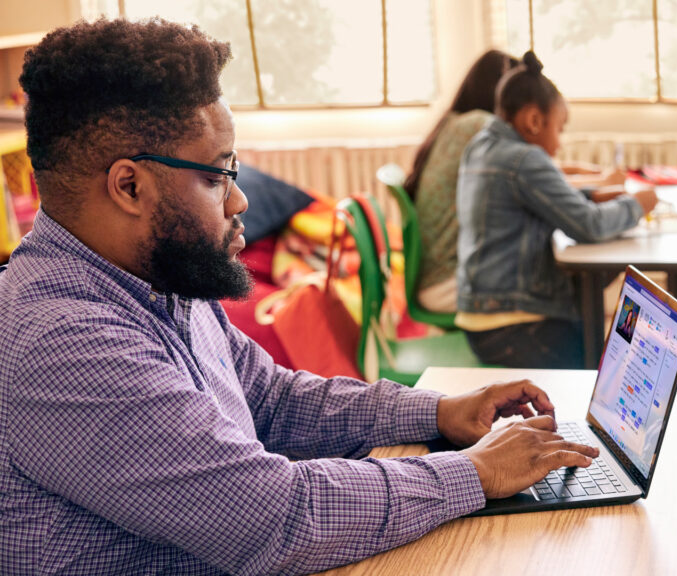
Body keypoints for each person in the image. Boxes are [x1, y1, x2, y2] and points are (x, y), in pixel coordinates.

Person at [0, 19, 599, 575]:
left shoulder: (158, 280)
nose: (239, 203)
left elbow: (271, 401)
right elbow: (271, 518)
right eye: (216, 176)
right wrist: (474, 471)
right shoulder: (60, 340)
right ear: (129, 185)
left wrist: (438, 413)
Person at [455, 51, 657, 369]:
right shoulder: (525, 159)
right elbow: (589, 226)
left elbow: (545, 198)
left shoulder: (480, 146)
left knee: (587, 313)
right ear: (534, 121)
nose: (560, 143)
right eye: (559, 129)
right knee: (594, 351)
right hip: (513, 328)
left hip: (480, 319)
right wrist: (637, 204)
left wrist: (593, 194)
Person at [405, 50, 518, 314]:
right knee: (551, 285)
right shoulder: (481, 126)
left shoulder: (453, 122)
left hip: (434, 277)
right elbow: (529, 169)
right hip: (448, 284)